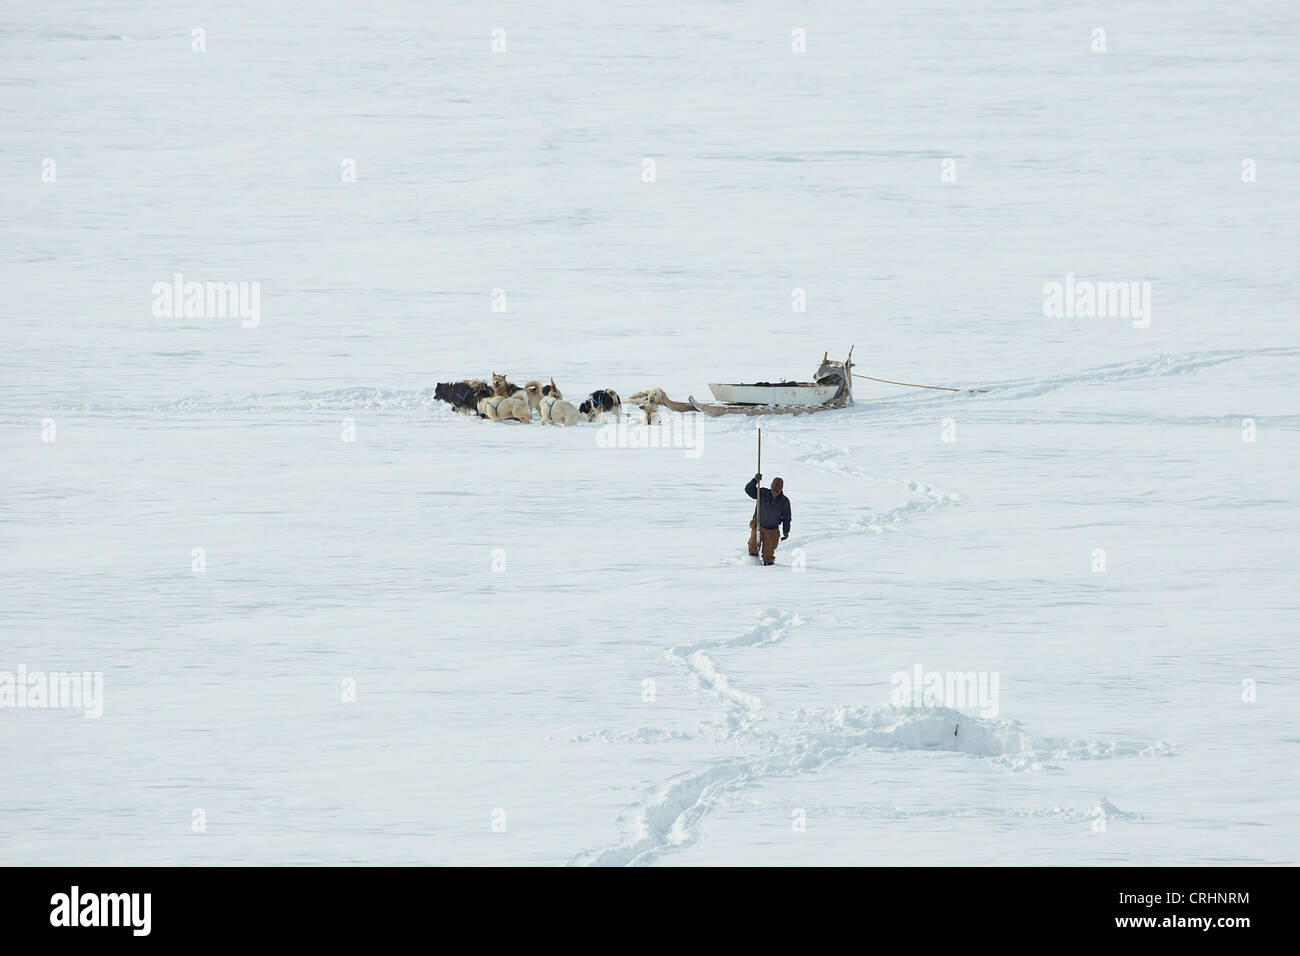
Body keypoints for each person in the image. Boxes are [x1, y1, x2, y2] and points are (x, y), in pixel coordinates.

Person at [745, 473, 791, 566]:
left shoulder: (784, 501)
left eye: (777, 491)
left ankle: (769, 569)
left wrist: (786, 531)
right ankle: (752, 566)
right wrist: (754, 481)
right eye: (773, 490)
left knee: (768, 554)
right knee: (753, 546)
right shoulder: (762, 493)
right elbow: (748, 490)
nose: (775, 492)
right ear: (771, 487)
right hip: (758, 526)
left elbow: (787, 518)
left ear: (781, 490)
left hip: (772, 530)